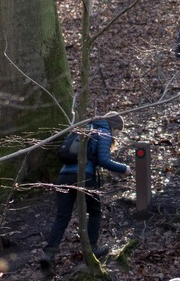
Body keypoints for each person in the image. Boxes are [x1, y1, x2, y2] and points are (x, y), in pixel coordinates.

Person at [39, 113, 128, 270]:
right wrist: (124, 168)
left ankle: (48, 253)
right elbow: (103, 160)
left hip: (64, 176)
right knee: (94, 212)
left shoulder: (86, 127)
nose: (117, 135)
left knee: (62, 216)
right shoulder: (104, 132)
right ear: (114, 126)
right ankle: (92, 248)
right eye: (119, 132)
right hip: (83, 177)